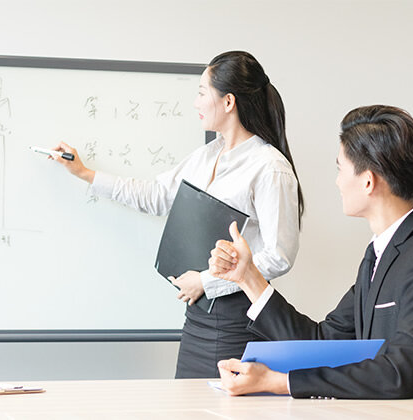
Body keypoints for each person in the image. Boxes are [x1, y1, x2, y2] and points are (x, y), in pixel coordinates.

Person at [208, 105, 413, 410]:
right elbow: (322, 342)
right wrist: (249, 278)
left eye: (340, 169)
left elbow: (399, 372)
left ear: (368, 181)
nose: (337, 182)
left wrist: (279, 382)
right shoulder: (380, 253)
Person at [51, 51, 304, 379]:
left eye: (201, 93)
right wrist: (85, 174)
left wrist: (206, 281)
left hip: (236, 318)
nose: (196, 103)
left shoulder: (269, 167)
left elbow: (279, 256)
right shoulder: (207, 155)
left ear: (228, 101)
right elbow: (156, 196)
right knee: (186, 401)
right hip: (198, 315)